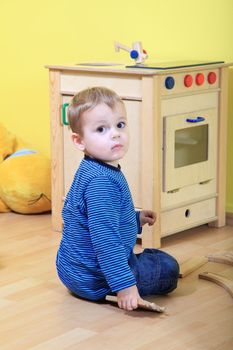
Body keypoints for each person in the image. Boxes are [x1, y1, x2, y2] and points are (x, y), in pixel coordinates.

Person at [56, 86, 179, 311]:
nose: (115, 134)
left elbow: (94, 217)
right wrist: (126, 287)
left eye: (120, 125)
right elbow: (105, 240)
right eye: (101, 129)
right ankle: (118, 279)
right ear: (79, 141)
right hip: (97, 280)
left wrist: (135, 217)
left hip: (71, 271)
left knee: (147, 257)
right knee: (168, 266)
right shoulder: (101, 182)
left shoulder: (92, 168)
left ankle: (107, 274)